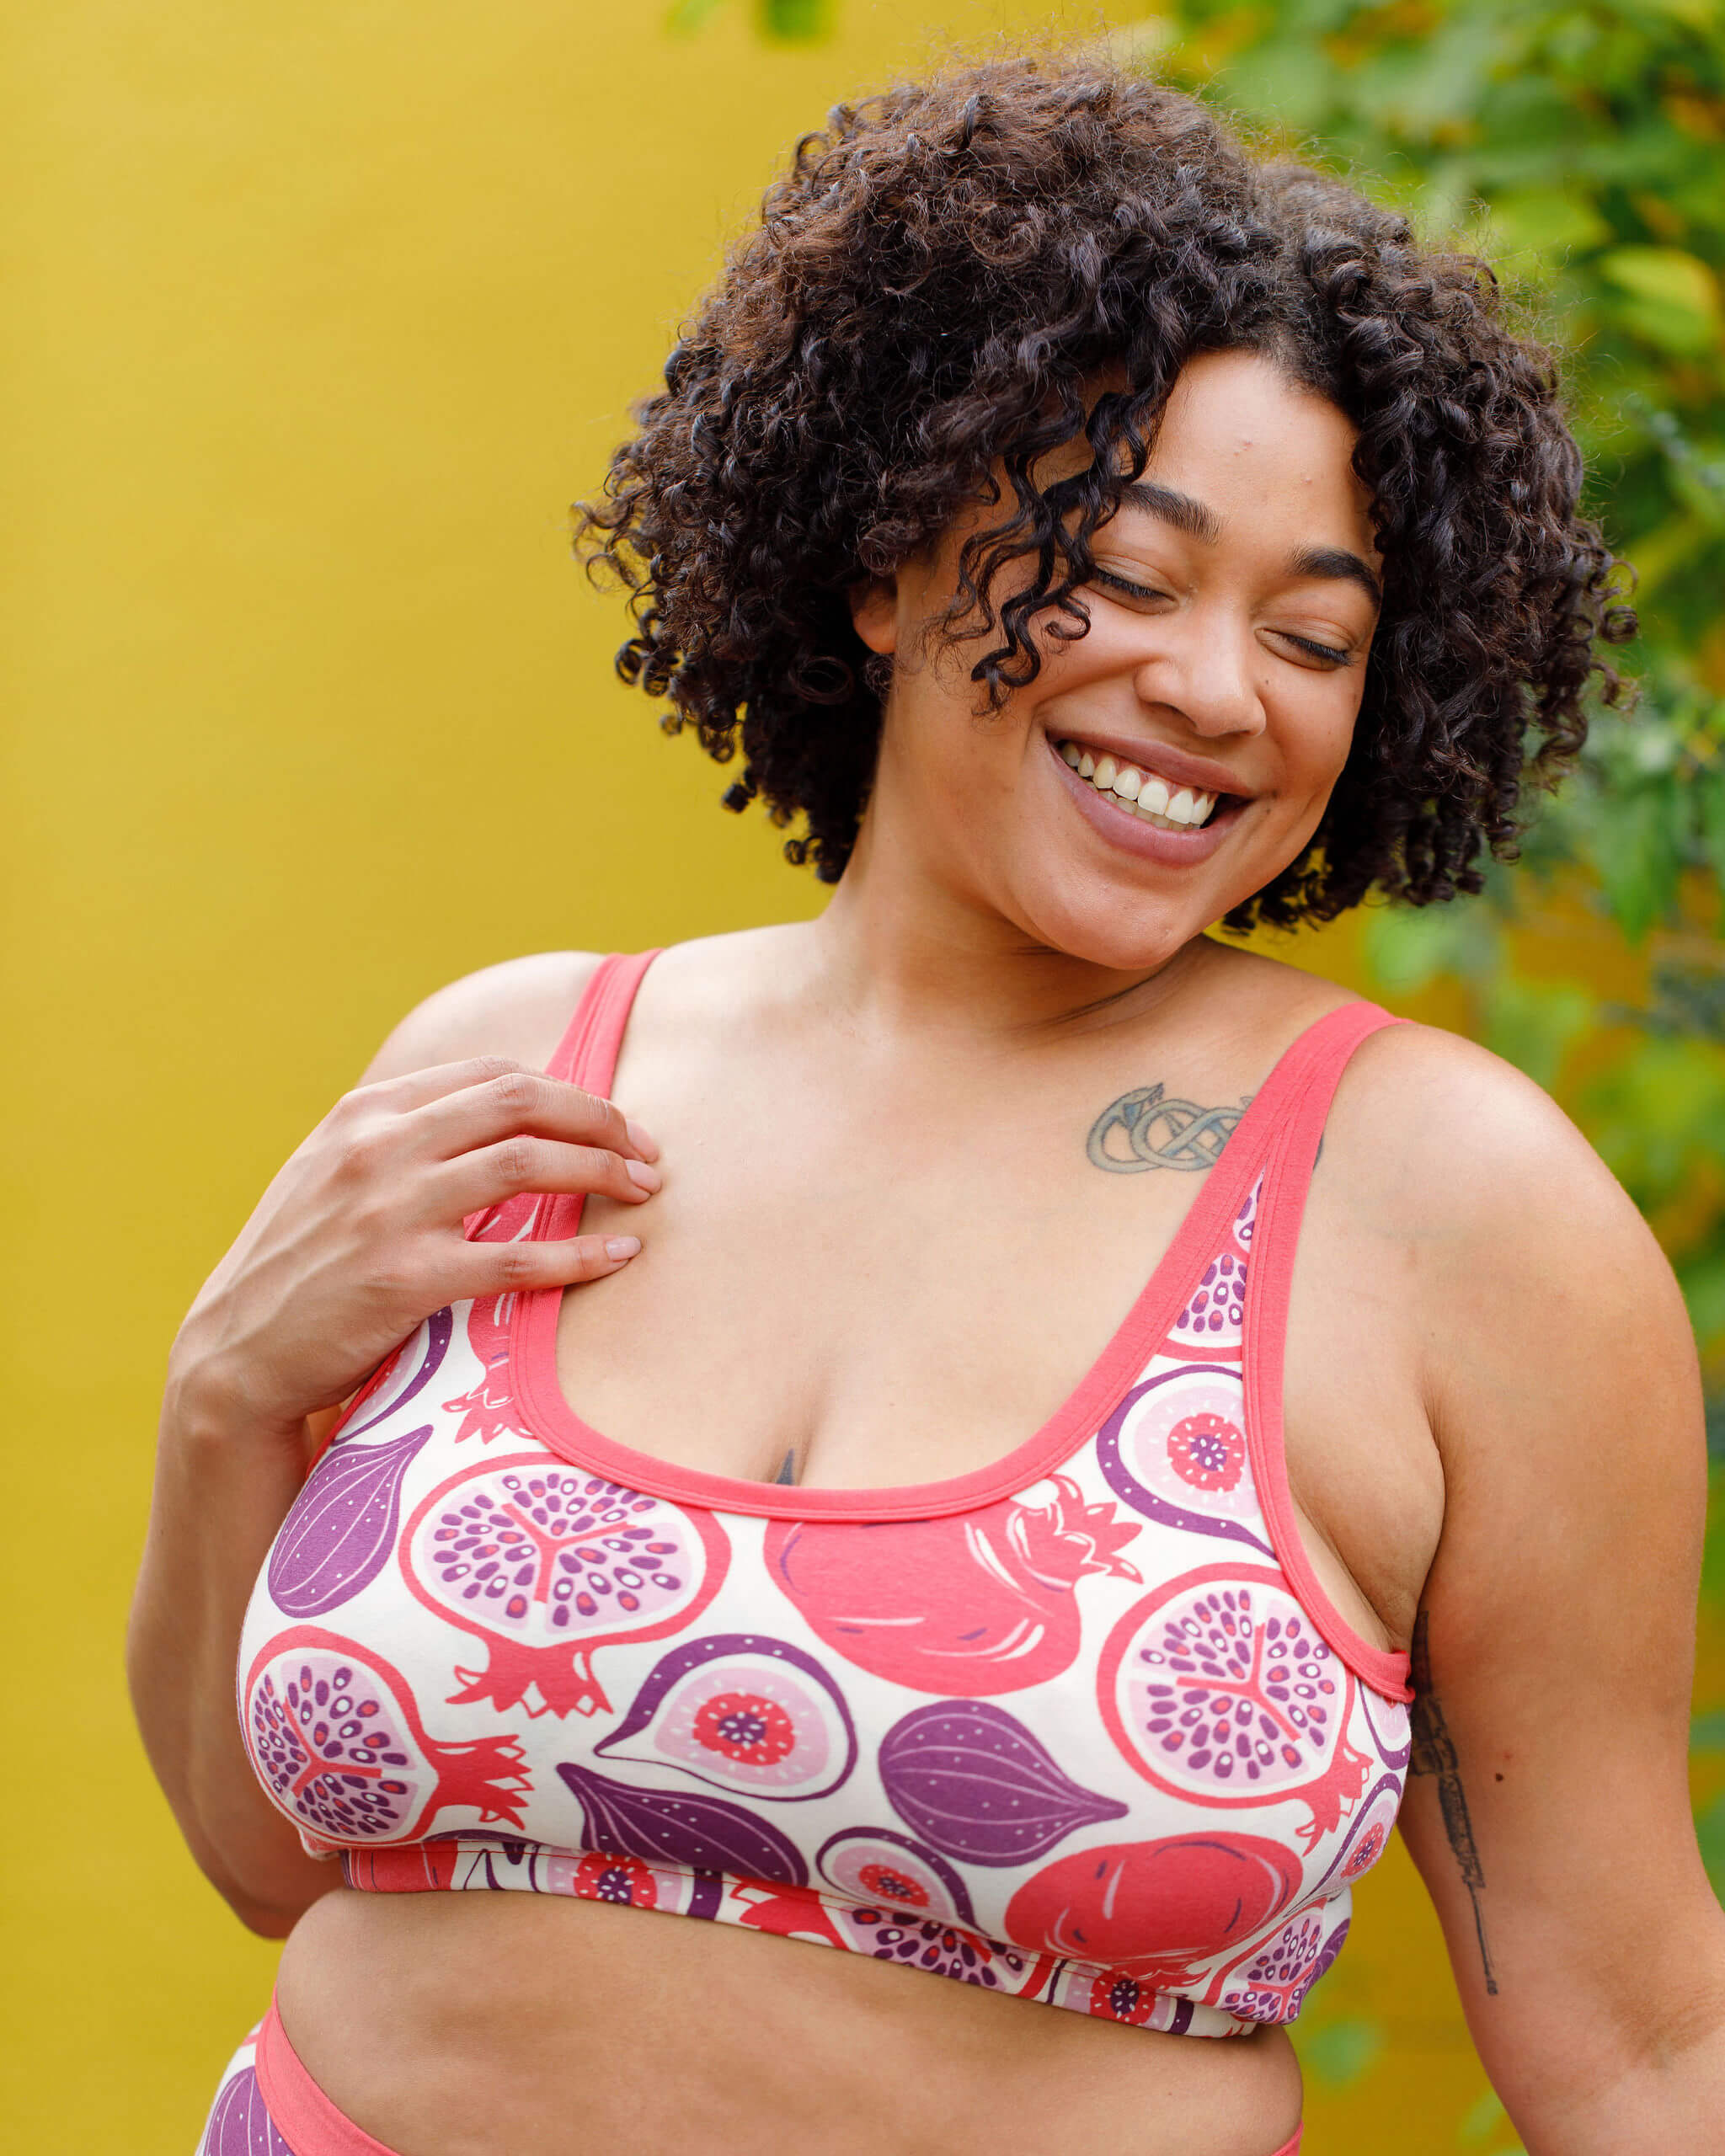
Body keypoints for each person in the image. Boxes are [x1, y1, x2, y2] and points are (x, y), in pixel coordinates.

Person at [131, 53, 1725, 2156]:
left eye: (1314, 635)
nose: (1215, 688)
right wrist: (224, 1398)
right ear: (880, 562)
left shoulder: (1445, 1209)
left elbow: (1634, 2043)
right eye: (1129, 574)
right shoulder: (511, 1073)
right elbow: (281, 1856)